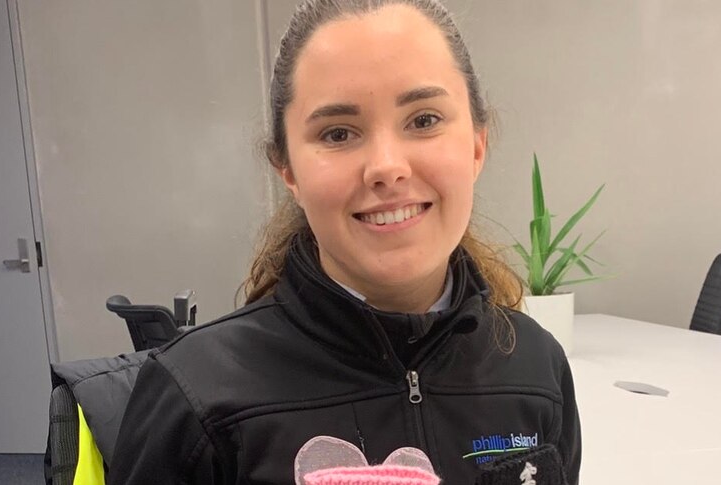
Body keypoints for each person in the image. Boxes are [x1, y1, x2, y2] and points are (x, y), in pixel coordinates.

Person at [108, 1, 581, 483]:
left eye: (423, 120)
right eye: (338, 132)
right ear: (287, 168)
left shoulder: (537, 368)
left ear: (477, 145)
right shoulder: (195, 397)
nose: (387, 166)